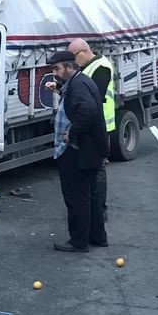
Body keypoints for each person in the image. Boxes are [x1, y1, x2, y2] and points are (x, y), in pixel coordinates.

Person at [49, 50, 109, 253]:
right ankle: (97, 236)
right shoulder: (79, 81)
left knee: (77, 197)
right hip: (90, 149)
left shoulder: (78, 85)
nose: (55, 73)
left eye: (57, 69)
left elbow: (88, 111)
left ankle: (79, 241)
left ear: (69, 66)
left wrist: (72, 133)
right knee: (90, 195)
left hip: (78, 150)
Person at [69, 38, 114, 220]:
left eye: (73, 57)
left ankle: (100, 210)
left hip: (100, 125)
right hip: (92, 125)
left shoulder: (101, 67)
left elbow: (94, 95)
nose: (73, 63)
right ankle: (93, 209)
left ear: (83, 51)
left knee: (98, 170)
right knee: (92, 169)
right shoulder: (87, 67)